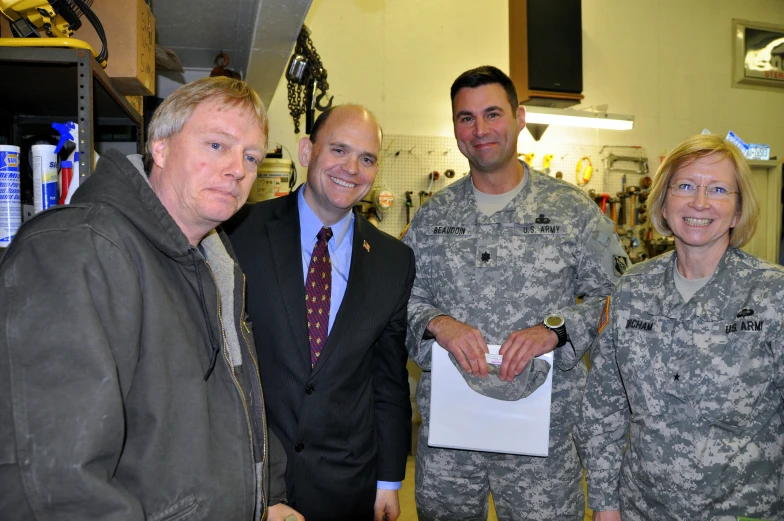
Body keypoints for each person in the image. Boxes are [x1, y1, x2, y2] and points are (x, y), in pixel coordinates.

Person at [0, 76, 301, 521]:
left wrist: (265, 498)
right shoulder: (77, 249)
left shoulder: (213, 259)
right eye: (217, 145)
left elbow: (236, 396)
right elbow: (55, 479)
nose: (238, 168)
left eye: (251, 156)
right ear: (159, 147)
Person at [402, 65, 628, 520]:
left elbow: (618, 295)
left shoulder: (571, 212)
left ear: (520, 118)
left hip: (541, 440)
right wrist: (436, 323)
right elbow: (398, 300)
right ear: (455, 128)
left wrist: (556, 330)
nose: (480, 130)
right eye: (466, 118)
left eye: (492, 114)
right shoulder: (432, 217)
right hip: (451, 442)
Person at [577, 134, 784, 520]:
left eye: (719, 189)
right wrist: (604, 503)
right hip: (644, 508)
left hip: (745, 509)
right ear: (664, 202)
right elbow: (603, 407)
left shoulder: (773, 294)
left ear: (738, 210)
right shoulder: (631, 290)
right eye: (685, 186)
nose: (700, 202)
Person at [226, 104, 414, 521]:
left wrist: (388, 481)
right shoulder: (239, 232)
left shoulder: (393, 261)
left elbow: (388, 380)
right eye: (339, 150)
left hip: (346, 485)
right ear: (307, 151)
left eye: (367, 158)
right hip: (251, 476)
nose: (352, 168)